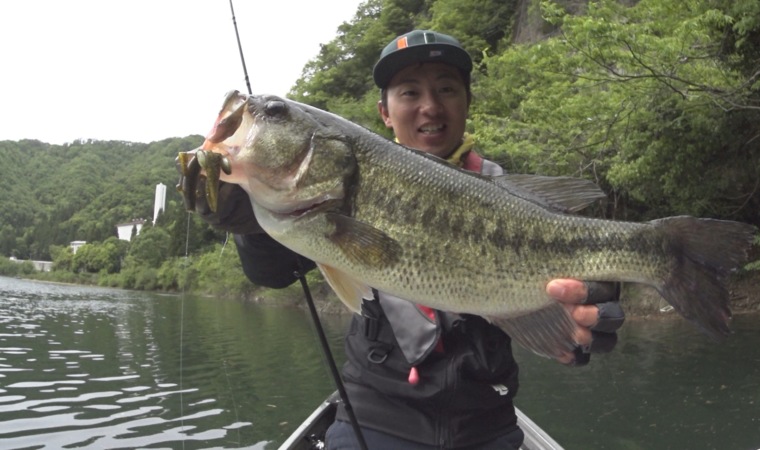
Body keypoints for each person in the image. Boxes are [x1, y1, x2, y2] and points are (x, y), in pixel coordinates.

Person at [197, 30, 625, 450]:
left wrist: (581, 318)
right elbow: (274, 273)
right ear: (384, 112)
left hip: (486, 425)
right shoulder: (340, 186)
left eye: (446, 89)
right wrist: (249, 226)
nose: (430, 106)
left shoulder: (514, 200)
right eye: (409, 92)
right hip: (372, 421)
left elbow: (567, 304)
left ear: (467, 101)